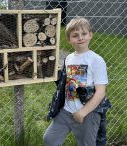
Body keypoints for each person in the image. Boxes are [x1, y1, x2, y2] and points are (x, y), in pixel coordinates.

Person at [43, 17, 111, 146]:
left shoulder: (96, 60)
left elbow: (101, 92)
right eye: (75, 35)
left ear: (90, 35)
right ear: (69, 40)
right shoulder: (68, 58)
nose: (80, 38)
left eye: (84, 34)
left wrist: (83, 112)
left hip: (88, 112)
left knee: (86, 143)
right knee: (50, 139)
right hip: (67, 110)